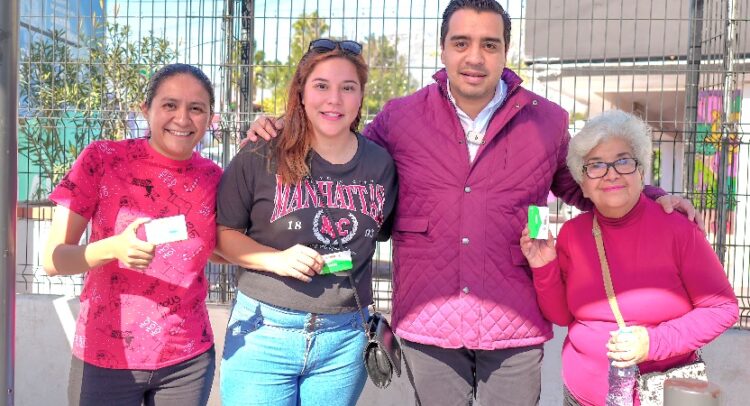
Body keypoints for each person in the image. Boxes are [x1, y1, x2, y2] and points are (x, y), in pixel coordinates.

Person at [245, 1, 701, 404]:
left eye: (489, 44)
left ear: (506, 52)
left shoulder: (545, 121)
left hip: (514, 322)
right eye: (461, 42)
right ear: (443, 49)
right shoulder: (401, 117)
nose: (475, 57)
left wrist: (655, 195)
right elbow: (342, 150)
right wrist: (285, 126)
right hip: (429, 320)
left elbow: (584, 184)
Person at [215, 38, 397, 406]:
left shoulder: (381, 164)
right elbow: (221, 236)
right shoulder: (261, 153)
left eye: (348, 88)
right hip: (263, 333)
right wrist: (276, 259)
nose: (334, 100)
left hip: (345, 340)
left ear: (361, 96)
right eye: (321, 86)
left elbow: (383, 231)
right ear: (301, 93)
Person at [520, 110, 739, 406]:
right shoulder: (572, 234)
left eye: (623, 161)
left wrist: (654, 342)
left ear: (641, 172)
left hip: (659, 395)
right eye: (596, 165)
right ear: (582, 183)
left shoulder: (678, 229)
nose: (611, 174)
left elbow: (722, 308)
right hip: (581, 395)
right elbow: (561, 316)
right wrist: (543, 265)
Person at [42, 63, 222, 406]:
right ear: (146, 109)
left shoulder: (214, 178)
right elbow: (53, 260)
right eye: (170, 105)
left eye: (196, 108)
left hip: (187, 360)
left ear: (210, 118)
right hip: (107, 357)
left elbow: (219, 248)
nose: (182, 118)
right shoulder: (103, 160)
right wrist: (113, 248)